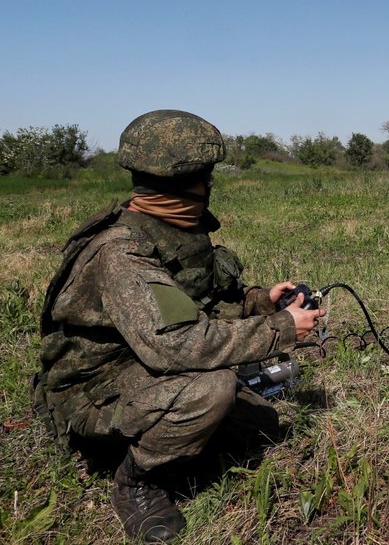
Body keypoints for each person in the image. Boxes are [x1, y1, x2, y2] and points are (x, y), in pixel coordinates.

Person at [31, 110, 326, 542]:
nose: (209, 185)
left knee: (262, 425)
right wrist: (279, 329)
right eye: (206, 176)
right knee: (212, 390)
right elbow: (178, 345)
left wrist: (262, 302)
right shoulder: (122, 252)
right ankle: (137, 483)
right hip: (94, 385)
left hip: (140, 362)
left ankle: (174, 440)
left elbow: (199, 304)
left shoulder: (171, 225)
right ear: (187, 181)